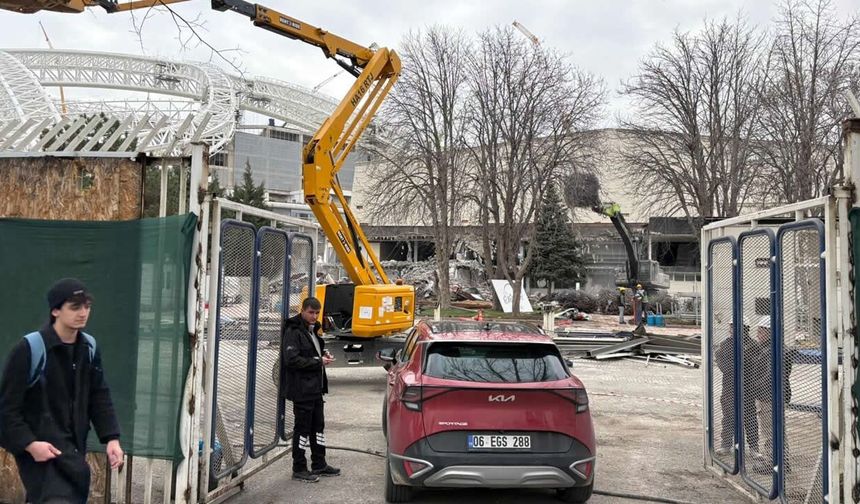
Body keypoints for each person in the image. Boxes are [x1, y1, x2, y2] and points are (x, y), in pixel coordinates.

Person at [0, 278, 123, 503]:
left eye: (87, 306)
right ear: (55, 310)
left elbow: (98, 395)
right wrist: (30, 445)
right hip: (40, 454)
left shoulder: (89, 348)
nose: (83, 313)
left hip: (74, 453)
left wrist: (112, 439)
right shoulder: (28, 349)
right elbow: (7, 409)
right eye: (75, 307)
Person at [280, 297, 340, 483]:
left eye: (317, 313)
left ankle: (319, 463)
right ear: (303, 311)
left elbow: (311, 353)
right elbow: (291, 360)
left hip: (315, 389)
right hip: (302, 390)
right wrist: (318, 361)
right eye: (311, 312)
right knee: (302, 429)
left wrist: (322, 354)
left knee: (318, 427)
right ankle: (299, 468)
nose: (314, 316)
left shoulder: (312, 330)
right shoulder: (293, 331)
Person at [715, 319, 759, 458]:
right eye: (731, 327)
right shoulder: (726, 344)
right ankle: (726, 445)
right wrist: (734, 365)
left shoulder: (753, 345)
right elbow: (723, 364)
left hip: (748, 387)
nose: (731, 330)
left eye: (734, 327)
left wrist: (739, 362)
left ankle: (754, 448)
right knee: (729, 416)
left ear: (744, 328)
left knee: (750, 418)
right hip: (730, 387)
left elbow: (754, 365)